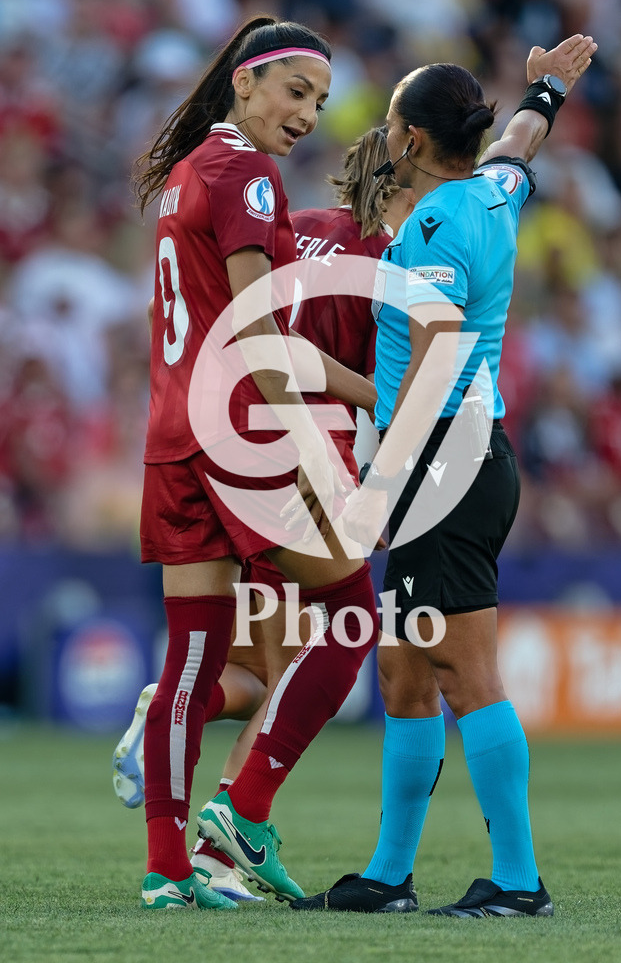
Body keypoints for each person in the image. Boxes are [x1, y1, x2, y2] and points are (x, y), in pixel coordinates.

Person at [289, 33, 597, 917]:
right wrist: (546, 92)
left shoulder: (428, 227)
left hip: (441, 466)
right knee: (404, 673)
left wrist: (381, 478)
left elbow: (431, 361)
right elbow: (519, 148)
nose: (383, 133)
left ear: (411, 141)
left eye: (390, 122)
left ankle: (517, 882)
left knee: (465, 675)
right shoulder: (490, 194)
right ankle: (388, 876)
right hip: (468, 456)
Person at [113, 125, 414, 903]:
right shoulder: (387, 264)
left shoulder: (303, 226)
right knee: (315, 648)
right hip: (284, 455)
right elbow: (301, 361)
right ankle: (232, 829)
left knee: (239, 665)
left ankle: (182, 849)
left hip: (196, 434)